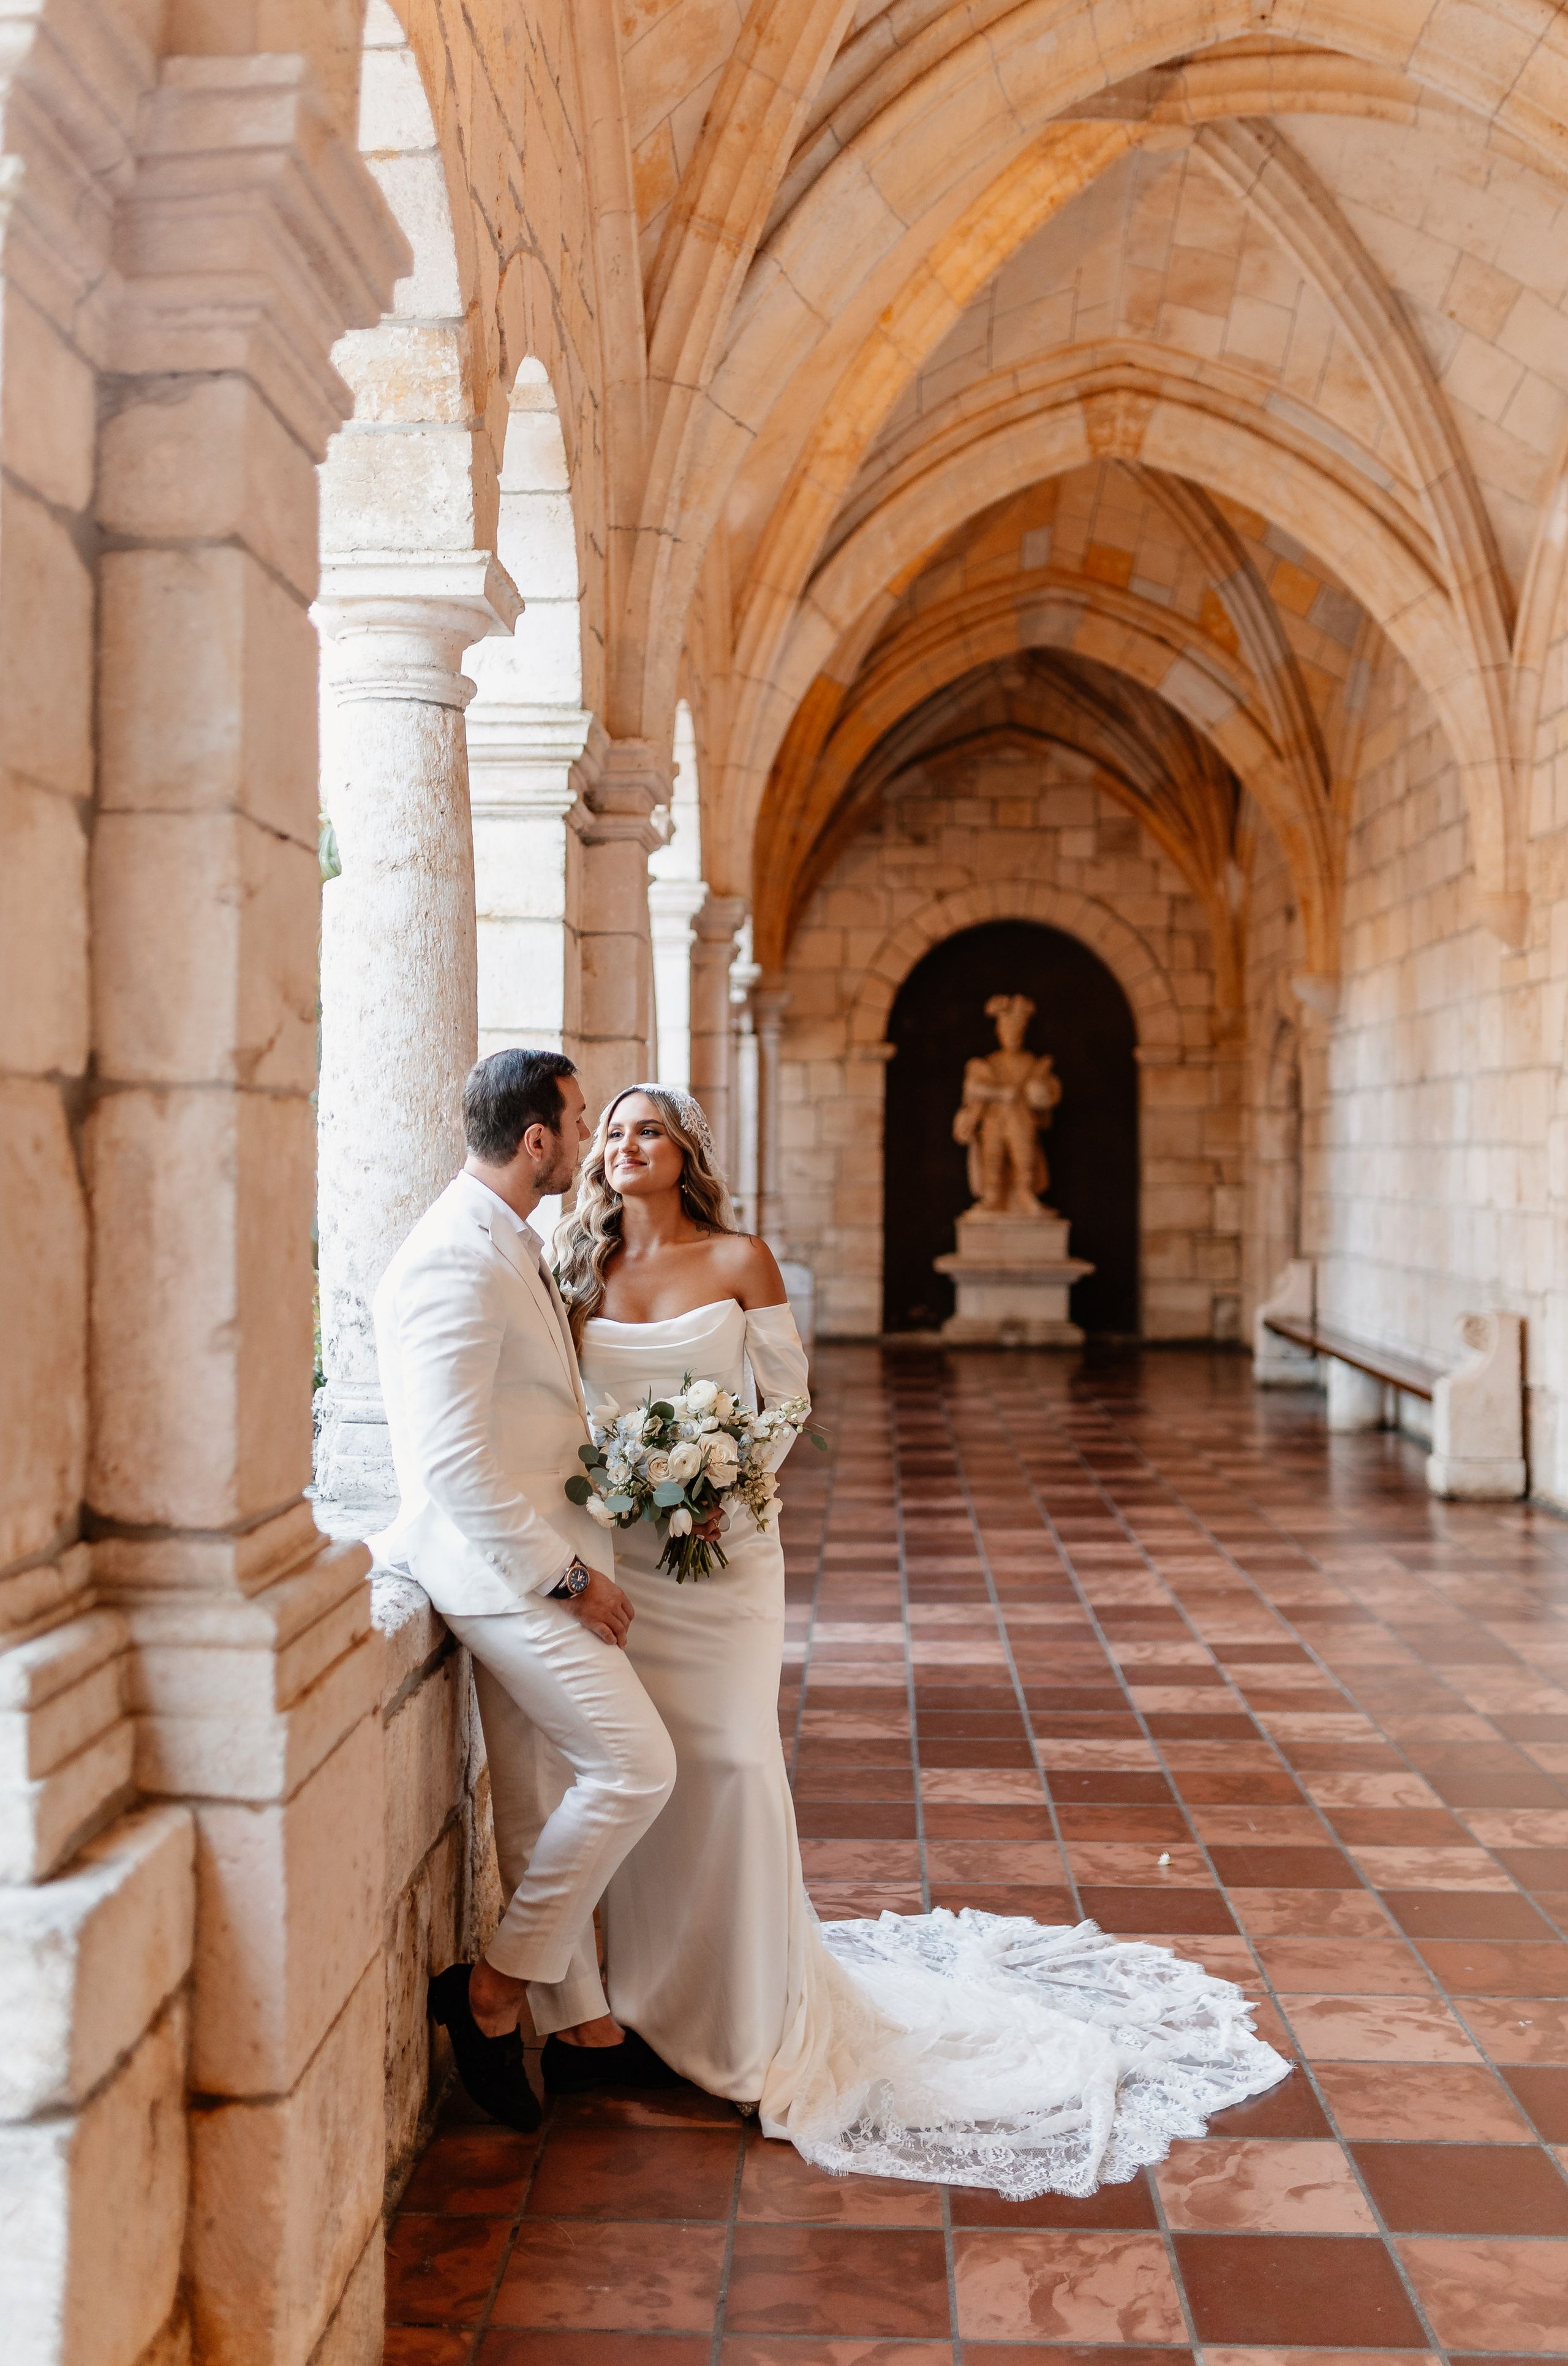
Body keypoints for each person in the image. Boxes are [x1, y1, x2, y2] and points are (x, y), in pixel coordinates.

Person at [554, 1084, 1291, 2196]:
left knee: (737, 1764)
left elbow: (787, 1400)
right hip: (629, 1564)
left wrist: (725, 1483)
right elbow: (558, 1415)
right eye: (610, 1132)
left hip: (725, 1553)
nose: (624, 1146)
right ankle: (656, 1998)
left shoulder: (740, 1257)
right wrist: (619, 1492)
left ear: (684, 1150)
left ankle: (750, 2016)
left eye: (646, 1129)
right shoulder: (579, 1274)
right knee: (653, 1774)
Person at [371, 1049, 678, 2132]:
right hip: (505, 1578)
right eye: (581, 1119)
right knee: (638, 1766)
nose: (592, 1136)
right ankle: (491, 1996)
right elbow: (452, 1463)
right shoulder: (454, 1256)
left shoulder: (509, 1238)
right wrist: (570, 1573)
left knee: (541, 1797)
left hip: (527, 1563)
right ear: (538, 1138)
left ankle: (585, 2031)